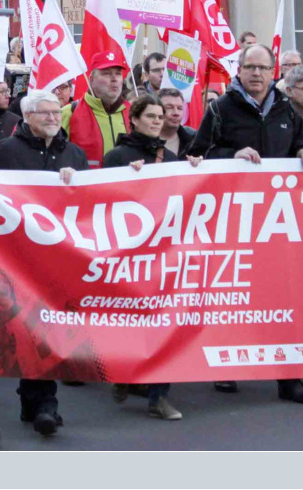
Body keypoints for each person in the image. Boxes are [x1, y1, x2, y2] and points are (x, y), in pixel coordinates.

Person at [189, 43, 303, 404]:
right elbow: (198, 154)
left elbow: (298, 141)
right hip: (234, 219)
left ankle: (289, 377)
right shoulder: (219, 108)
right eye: (250, 67)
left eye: (263, 68)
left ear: (272, 71)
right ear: (239, 70)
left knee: (284, 296)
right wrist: (232, 155)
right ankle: (228, 365)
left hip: (278, 219)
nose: (257, 74)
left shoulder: (284, 109)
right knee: (234, 296)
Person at [0, 90, 89, 437]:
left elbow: (88, 204)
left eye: (56, 112)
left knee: (50, 328)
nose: (52, 118)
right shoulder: (4, 153)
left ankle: (43, 402)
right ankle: (38, 400)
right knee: (29, 329)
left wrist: (79, 185)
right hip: (17, 256)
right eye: (44, 113)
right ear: (26, 117)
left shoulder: (74, 154)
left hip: (59, 257)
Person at [103, 94, 201, 419]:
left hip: (166, 251)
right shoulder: (117, 156)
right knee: (132, 319)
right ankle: (125, 374)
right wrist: (128, 179)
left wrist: (194, 172)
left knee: (164, 320)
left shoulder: (172, 156)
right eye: (151, 116)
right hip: (131, 252)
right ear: (134, 119)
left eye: (161, 116)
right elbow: (104, 200)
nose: (158, 120)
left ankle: (159, 396)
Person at [61, 52, 131, 168]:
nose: (114, 79)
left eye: (118, 74)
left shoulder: (133, 113)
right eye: (106, 74)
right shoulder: (69, 113)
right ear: (91, 80)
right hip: (85, 185)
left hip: (125, 185)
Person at [157, 87, 196, 157]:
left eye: (180, 108)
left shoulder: (194, 142)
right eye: (169, 107)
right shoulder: (143, 143)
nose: (176, 113)